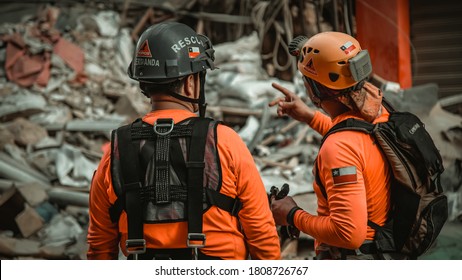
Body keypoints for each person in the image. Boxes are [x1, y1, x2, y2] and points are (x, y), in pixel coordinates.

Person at [87, 22, 281, 260]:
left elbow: (99, 246)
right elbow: (261, 233)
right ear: (191, 82)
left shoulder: (116, 149)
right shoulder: (224, 141)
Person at [269, 31, 404, 260]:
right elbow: (357, 139)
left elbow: (348, 233)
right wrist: (310, 117)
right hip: (388, 247)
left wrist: (291, 214)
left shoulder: (338, 149)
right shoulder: (381, 112)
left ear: (313, 89)